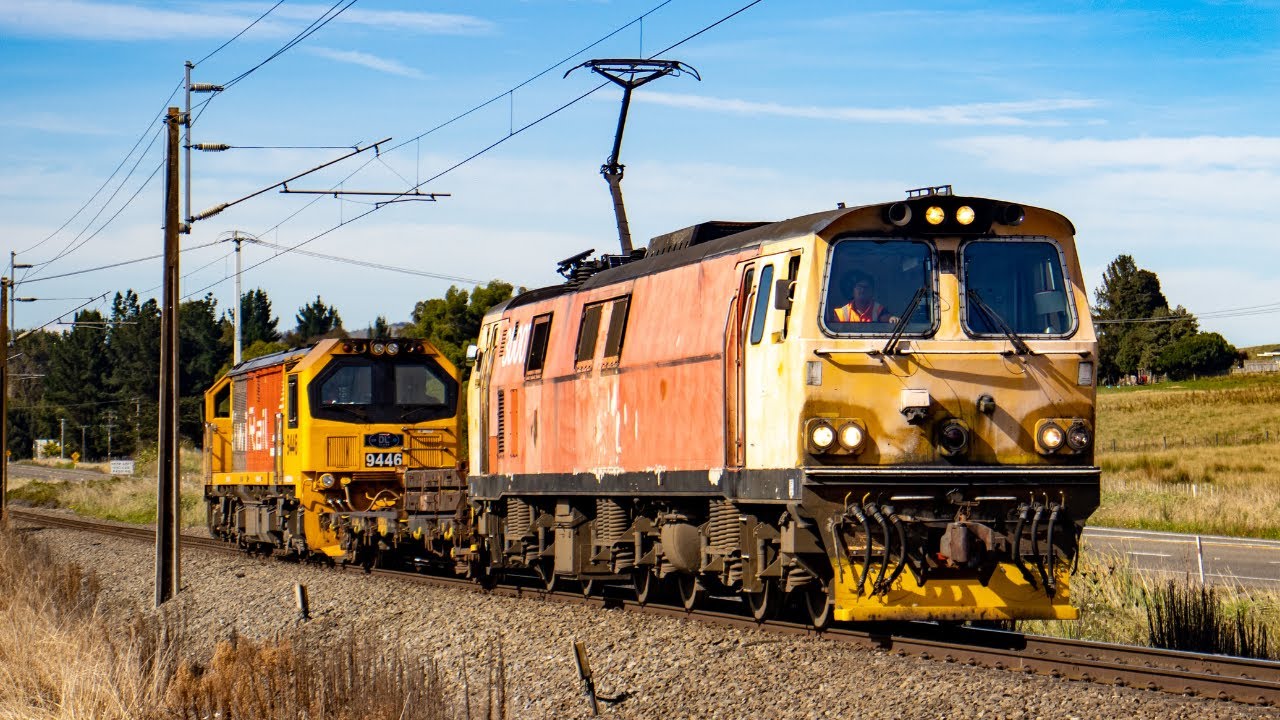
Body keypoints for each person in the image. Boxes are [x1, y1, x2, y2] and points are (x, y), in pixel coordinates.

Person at [831, 271, 898, 324]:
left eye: (866, 287)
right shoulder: (840, 313)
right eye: (859, 287)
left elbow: (886, 317)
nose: (862, 290)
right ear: (853, 290)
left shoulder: (879, 310)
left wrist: (891, 319)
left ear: (872, 292)